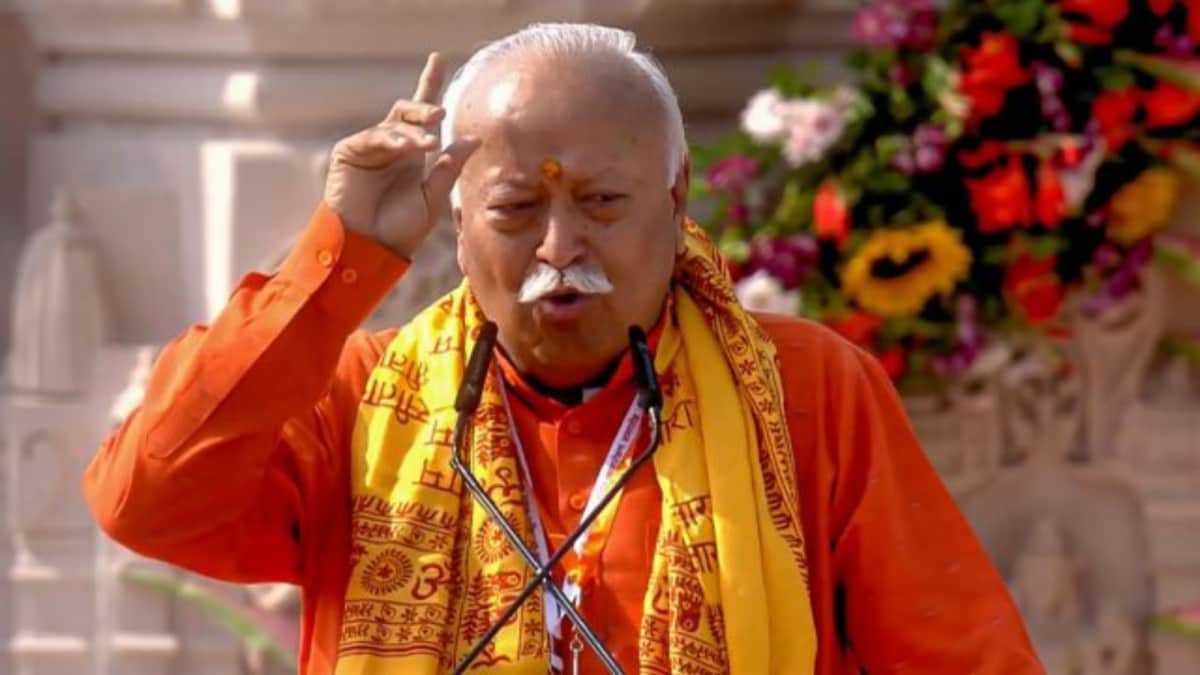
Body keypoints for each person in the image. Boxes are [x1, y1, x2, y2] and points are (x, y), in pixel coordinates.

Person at [83, 22, 1043, 675]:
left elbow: (961, 655)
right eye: (514, 207)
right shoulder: (359, 397)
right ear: (457, 217)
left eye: (603, 202)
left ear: (676, 198)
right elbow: (144, 501)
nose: (558, 246)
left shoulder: (805, 388)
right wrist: (340, 257)